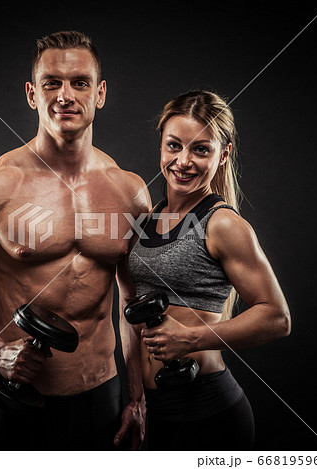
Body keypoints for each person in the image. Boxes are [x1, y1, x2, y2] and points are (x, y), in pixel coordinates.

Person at [0, 31, 150, 450]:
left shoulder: (129, 192)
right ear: (31, 93)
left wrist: (137, 396)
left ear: (100, 94)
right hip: (17, 402)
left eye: (80, 82)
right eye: (51, 83)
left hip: (102, 394)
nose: (65, 95)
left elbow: (133, 304)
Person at [125, 90, 291, 450]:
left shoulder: (223, 224)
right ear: (161, 145)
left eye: (201, 149)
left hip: (208, 412)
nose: (182, 161)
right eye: (174, 146)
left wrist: (191, 338)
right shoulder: (149, 218)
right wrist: (136, 396)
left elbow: (277, 317)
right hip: (156, 410)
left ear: (224, 153)